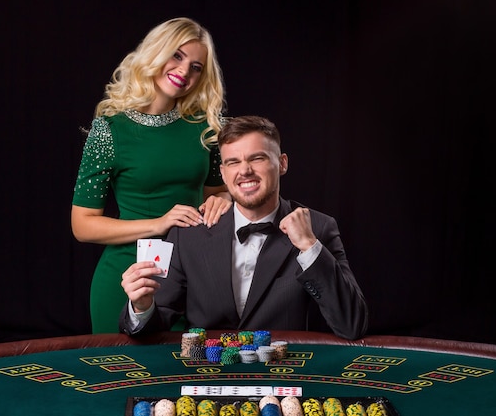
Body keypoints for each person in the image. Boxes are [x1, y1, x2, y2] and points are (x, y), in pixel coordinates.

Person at [119, 115, 368, 340]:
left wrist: (309, 246)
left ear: (282, 164)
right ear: (223, 173)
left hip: (286, 375)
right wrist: (141, 307)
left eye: (257, 158)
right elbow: (156, 325)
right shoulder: (188, 235)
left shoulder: (319, 229)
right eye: (233, 162)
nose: (245, 171)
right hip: (207, 375)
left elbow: (352, 325)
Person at [71, 17, 232, 334]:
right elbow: (82, 224)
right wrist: (159, 223)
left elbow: (217, 194)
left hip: (193, 276)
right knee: (124, 381)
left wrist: (224, 198)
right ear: (155, 53)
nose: (185, 72)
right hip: (128, 273)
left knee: (189, 377)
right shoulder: (109, 130)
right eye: (177, 55)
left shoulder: (208, 127)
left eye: (196, 67)